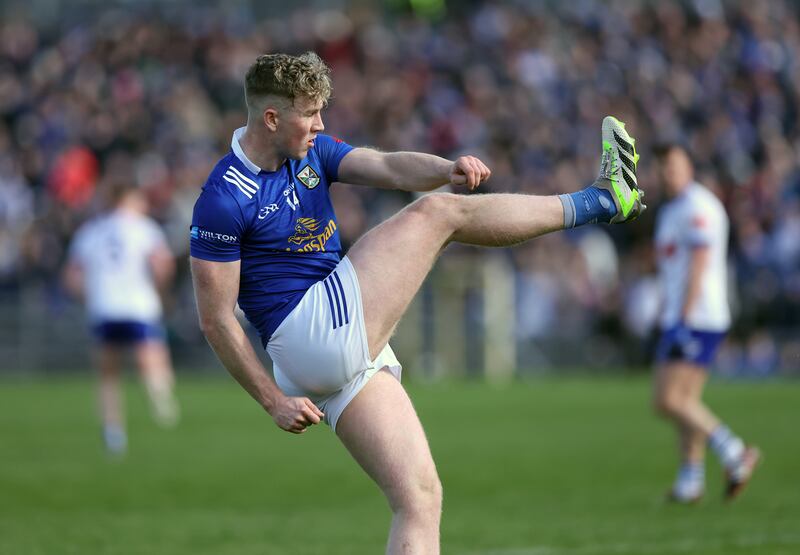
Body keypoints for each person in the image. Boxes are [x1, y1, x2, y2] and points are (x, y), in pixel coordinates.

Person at [189, 51, 643, 553]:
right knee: (437, 215)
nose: (320, 124)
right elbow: (215, 320)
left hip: (335, 342)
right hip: (310, 329)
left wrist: (445, 168)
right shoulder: (222, 196)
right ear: (272, 118)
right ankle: (602, 199)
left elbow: (385, 165)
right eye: (310, 113)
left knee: (419, 497)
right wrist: (272, 402)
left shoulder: (308, 152)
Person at [652, 144, 760, 503]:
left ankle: (734, 451)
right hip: (683, 315)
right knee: (685, 401)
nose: (668, 172)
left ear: (689, 166)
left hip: (697, 316)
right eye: (663, 166)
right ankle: (690, 480)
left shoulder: (699, 206)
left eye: (673, 165)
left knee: (668, 400)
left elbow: (700, 263)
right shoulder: (672, 210)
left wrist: (682, 318)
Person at [64, 181, 180, 455]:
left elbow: (72, 275)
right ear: (129, 200)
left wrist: (88, 298)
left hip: (104, 307)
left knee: (108, 374)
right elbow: (162, 264)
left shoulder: (91, 230)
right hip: (138, 304)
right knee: (152, 358)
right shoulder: (144, 228)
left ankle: (113, 432)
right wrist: (160, 291)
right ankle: (162, 404)